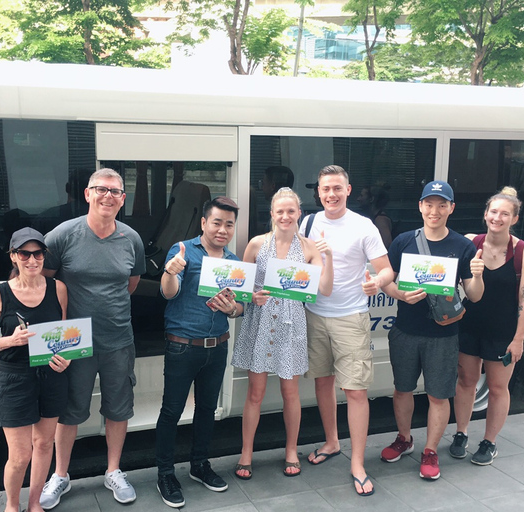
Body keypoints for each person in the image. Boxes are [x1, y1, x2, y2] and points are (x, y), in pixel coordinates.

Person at [40, 168, 145, 507]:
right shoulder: (62, 236)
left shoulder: (131, 239)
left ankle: (114, 471)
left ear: (123, 199)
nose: (108, 196)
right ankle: (60, 475)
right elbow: (45, 287)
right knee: (69, 412)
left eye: (116, 192)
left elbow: (130, 284)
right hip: (72, 342)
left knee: (118, 409)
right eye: (102, 189)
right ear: (87, 194)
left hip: (118, 339)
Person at [299, 165, 395, 497]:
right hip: (314, 314)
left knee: (354, 392)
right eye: (326, 189)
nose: (331, 195)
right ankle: (331, 442)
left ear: (348, 190)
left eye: (337, 188)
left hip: (350, 318)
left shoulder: (363, 226)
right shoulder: (308, 223)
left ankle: (357, 463)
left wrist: (376, 282)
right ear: (319, 192)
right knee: (322, 382)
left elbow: (386, 270)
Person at [380, 180, 484, 480]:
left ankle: (431, 450)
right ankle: (404, 439)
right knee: (402, 390)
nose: (434, 211)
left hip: (444, 334)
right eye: (429, 204)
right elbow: (388, 279)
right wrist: (399, 293)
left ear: (451, 208)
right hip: (405, 329)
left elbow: (474, 295)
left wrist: (477, 275)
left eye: (441, 204)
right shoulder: (403, 241)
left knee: (439, 396)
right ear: (420, 206)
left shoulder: (463, 246)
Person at [232, 187, 333, 481]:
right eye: (280, 211)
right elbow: (240, 287)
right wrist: (253, 296)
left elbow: (324, 289)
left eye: (291, 211)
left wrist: (329, 258)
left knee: (290, 393)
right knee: (255, 393)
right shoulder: (255, 244)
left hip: (291, 325)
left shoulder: (311, 248)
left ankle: (291, 450)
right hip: (260, 322)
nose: (286, 216)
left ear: (299, 213)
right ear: (272, 214)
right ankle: (246, 453)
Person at [155, 196, 243, 508]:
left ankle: (199, 465)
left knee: (207, 411)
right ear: (204, 223)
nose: (222, 229)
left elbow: (239, 306)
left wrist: (233, 309)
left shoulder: (232, 260)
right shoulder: (182, 251)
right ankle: (165, 473)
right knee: (171, 411)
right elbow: (170, 292)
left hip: (217, 347)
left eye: (229, 224)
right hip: (182, 347)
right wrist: (169, 271)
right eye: (216, 222)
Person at [0, 227, 70, 512]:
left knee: (44, 444)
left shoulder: (58, 288)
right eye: (25, 253)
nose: (32, 260)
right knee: (20, 454)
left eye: (38, 253)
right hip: (14, 377)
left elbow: (64, 335)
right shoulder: (0, 294)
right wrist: (11, 340)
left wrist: (66, 358)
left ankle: (34, 503)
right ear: (13, 257)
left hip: (51, 375)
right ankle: (11, 506)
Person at [450, 187, 524, 465]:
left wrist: (518, 340)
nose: (497, 218)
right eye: (493, 212)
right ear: (485, 214)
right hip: (469, 325)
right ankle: (461, 433)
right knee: (466, 382)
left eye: (504, 213)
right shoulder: (470, 243)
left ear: (514, 218)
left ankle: (489, 442)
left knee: (499, 388)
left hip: (503, 330)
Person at [357, 184, 393, 248]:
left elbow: (386, 244)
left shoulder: (380, 220)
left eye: (362, 196)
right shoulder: (373, 218)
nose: (358, 199)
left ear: (371, 199)